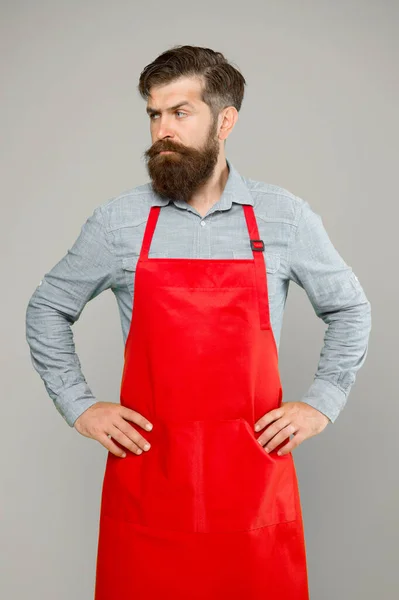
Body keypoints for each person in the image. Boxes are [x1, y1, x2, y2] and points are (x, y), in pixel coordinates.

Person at [25, 45, 372, 599]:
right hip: (149, 481)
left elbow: (349, 307)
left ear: (225, 120)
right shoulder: (119, 221)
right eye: (154, 113)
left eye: (179, 112)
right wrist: (79, 405)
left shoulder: (283, 217)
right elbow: (48, 307)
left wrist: (322, 401)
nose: (162, 129)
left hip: (252, 487)